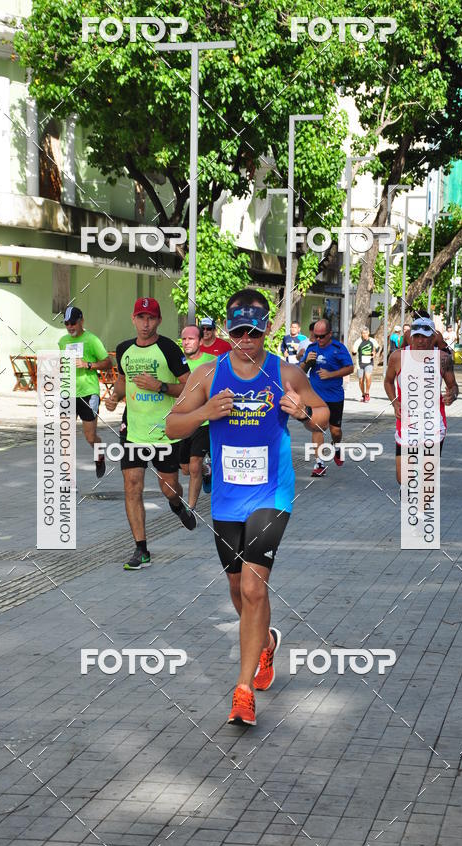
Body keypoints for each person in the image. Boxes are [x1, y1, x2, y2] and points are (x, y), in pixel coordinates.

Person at [166, 289, 329, 726]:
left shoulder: (285, 371)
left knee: (255, 589)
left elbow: (323, 414)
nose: (245, 339)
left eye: (253, 332)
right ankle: (267, 644)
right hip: (228, 500)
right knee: (239, 592)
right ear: (227, 330)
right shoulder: (206, 374)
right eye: (238, 331)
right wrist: (204, 414)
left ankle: (242, 691)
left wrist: (302, 412)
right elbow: (171, 426)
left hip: (272, 495)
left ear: (265, 330)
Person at [105, 298, 193, 570]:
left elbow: (190, 386)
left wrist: (160, 387)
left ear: (159, 321)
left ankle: (177, 504)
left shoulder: (168, 348)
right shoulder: (123, 349)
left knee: (168, 488)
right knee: (132, 486)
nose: (145, 323)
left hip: (165, 432)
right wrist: (114, 396)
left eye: (151, 318)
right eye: (141, 317)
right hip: (133, 431)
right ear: (133, 319)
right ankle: (141, 549)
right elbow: (122, 380)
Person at [384, 317, 459, 484]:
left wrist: (452, 395)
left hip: (433, 423)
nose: (420, 341)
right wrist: (394, 401)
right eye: (416, 336)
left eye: (425, 337)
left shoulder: (443, 359)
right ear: (411, 336)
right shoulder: (397, 357)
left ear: (433, 337)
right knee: (402, 478)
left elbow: (453, 386)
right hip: (406, 422)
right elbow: (388, 381)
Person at [58, 306, 112, 477]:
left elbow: (108, 363)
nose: (70, 326)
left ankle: (99, 455)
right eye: (66, 323)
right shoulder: (62, 341)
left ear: (81, 321)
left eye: (73, 322)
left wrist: (87, 364)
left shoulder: (92, 340)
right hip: (68, 393)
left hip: (88, 393)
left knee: (90, 437)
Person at [301, 319, 354, 476]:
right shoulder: (311, 348)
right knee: (317, 429)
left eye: (322, 336)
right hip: (316, 397)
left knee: (335, 431)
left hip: (334, 396)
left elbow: (350, 368)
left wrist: (331, 374)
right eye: (315, 336)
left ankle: (337, 447)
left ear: (330, 334)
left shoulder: (338, 348)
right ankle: (319, 464)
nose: (318, 339)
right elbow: (300, 371)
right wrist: (306, 362)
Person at [179, 325, 217, 505]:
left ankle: (191, 509)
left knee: (194, 466)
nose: (186, 342)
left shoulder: (213, 362)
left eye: (191, 339)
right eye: (184, 339)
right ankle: (206, 471)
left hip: (203, 421)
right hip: (182, 422)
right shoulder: (176, 362)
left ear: (201, 341)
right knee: (185, 469)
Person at [352, 327, 379, 402]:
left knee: (368, 377)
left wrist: (374, 352)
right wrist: (353, 351)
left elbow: (377, 347)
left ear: (368, 333)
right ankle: (363, 394)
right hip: (360, 363)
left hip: (369, 362)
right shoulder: (358, 341)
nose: (364, 335)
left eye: (366, 333)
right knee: (361, 380)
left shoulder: (372, 340)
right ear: (361, 334)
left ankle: (367, 393)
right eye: (363, 333)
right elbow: (353, 351)